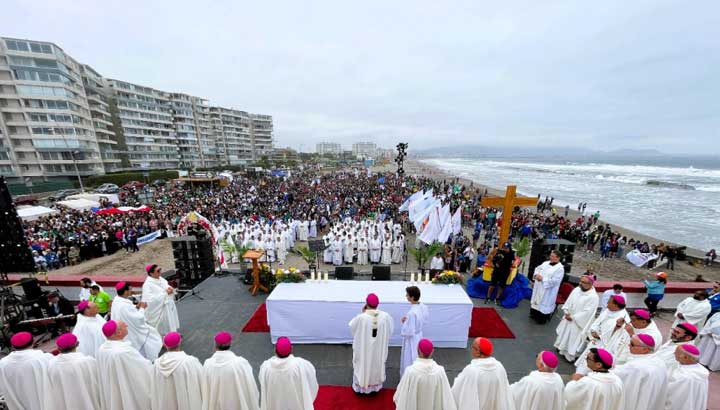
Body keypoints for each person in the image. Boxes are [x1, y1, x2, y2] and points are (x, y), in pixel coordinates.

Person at [96, 320, 153, 410]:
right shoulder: (124, 352)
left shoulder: (101, 349)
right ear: (118, 332)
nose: (127, 325)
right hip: (126, 386)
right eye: (124, 325)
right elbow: (143, 369)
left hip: (113, 386)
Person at [348, 293, 394, 394]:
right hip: (378, 349)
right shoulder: (385, 317)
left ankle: (362, 387)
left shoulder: (361, 318)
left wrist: (363, 313)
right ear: (377, 304)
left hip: (365, 349)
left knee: (364, 363)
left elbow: (352, 327)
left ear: (366, 304)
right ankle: (375, 387)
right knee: (376, 362)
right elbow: (390, 330)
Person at [451, 337, 514, 410]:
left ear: (478, 352)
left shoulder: (472, 370)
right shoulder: (499, 367)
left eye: (472, 347)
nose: (471, 349)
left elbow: (459, 390)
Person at [393, 339, 457, 410]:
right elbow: (446, 397)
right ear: (432, 351)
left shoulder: (411, 371)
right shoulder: (440, 371)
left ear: (418, 351)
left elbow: (401, 395)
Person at [202, 331, 259, 410]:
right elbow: (250, 385)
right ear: (230, 345)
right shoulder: (240, 363)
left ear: (215, 345)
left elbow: (205, 388)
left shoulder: (208, 364)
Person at [574, 295, 629, 374]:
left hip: (605, 346)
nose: (607, 304)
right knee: (585, 363)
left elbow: (617, 336)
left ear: (616, 305)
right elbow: (598, 321)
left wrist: (600, 336)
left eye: (609, 302)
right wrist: (593, 330)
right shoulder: (608, 310)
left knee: (593, 363)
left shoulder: (623, 318)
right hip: (595, 341)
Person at [259, 336, 318, 410]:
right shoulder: (301, 364)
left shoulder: (266, 367)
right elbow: (311, 379)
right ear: (291, 349)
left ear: (275, 350)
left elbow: (263, 383)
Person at [46, 333, 102, 410]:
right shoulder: (88, 361)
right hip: (88, 401)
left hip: (66, 403)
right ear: (78, 344)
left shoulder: (52, 364)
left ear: (58, 349)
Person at [0, 332, 53, 410]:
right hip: (44, 404)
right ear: (33, 341)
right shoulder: (45, 358)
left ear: (13, 346)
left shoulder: (2, 364)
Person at [613, 334, 667, 410]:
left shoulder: (636, 367)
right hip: (652, 401)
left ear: (644, 349)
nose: (629, 345)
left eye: (632, 344)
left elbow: (617, 376)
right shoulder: (659, 361)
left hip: (638, 402)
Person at [111, 281, 162, 360]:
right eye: (130, 289)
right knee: (151, 336)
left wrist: (136, 307)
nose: (131, 291)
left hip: (125, 328)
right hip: (131, 330)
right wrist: (142, 308)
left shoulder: (117, 300)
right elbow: (138, 319)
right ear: (125, 291)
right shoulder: (124, 305)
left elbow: (127, 313)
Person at [152, 332, 203, 410]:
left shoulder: (157, 364)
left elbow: (155, 386)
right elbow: (201, 381)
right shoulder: (190, 362)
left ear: (165, 345)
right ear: (180, 342)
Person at [554, 275, 599, 362]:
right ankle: (561, 348)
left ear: (590, 284)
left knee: (573, 338)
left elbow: (588, 312)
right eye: (580, 281)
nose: (580, 284)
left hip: (578, 322)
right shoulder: (577, 289)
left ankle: (569, 356)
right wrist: (566, 312)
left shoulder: (593, 297)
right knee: (564, 334)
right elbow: (569, 301)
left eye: (583, 282)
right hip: (569, 317)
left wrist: (573, 317)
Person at [665, 344, 709, 410]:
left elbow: (674, 397)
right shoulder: (700, 370)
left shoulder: (684, 377)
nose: (674, 353)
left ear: (685, 357)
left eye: (676, 352)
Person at [142, 263, 180, 335]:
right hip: (160, 309)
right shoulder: (147, 285)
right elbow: (149, 300)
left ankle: (173, 335)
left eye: (160, 269)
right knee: (164, 327)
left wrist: (171, 289)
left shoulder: (161, 279)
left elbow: (166, 286)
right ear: (151, 273)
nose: (160, 272)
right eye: (158, 271)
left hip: (168, 306)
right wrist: (165, 293)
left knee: (171, 322)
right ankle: (166, 339)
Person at [400, 285, 430, 376]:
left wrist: (405, 322)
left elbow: (408, 332)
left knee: (410, 357)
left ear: (412, 297)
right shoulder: (422, 306)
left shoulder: (411, 313)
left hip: (412, 339)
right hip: (419, 335)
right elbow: (424, 320)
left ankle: (409, 376)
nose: (406, 296)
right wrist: (409, 320)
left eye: (407, 295)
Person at [529, 250, 565, 323]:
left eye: (552, 256)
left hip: (548, 290)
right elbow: (537, 269)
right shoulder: (545, 263)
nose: (550, 257)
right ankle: (534, 314)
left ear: (558, 258)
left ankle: (541, 319)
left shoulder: (560, 269)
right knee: (536, 301)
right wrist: (536, 275)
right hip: (539, 286)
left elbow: (555, 281)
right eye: (550, 255)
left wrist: (542, 279)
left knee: (544, 304)